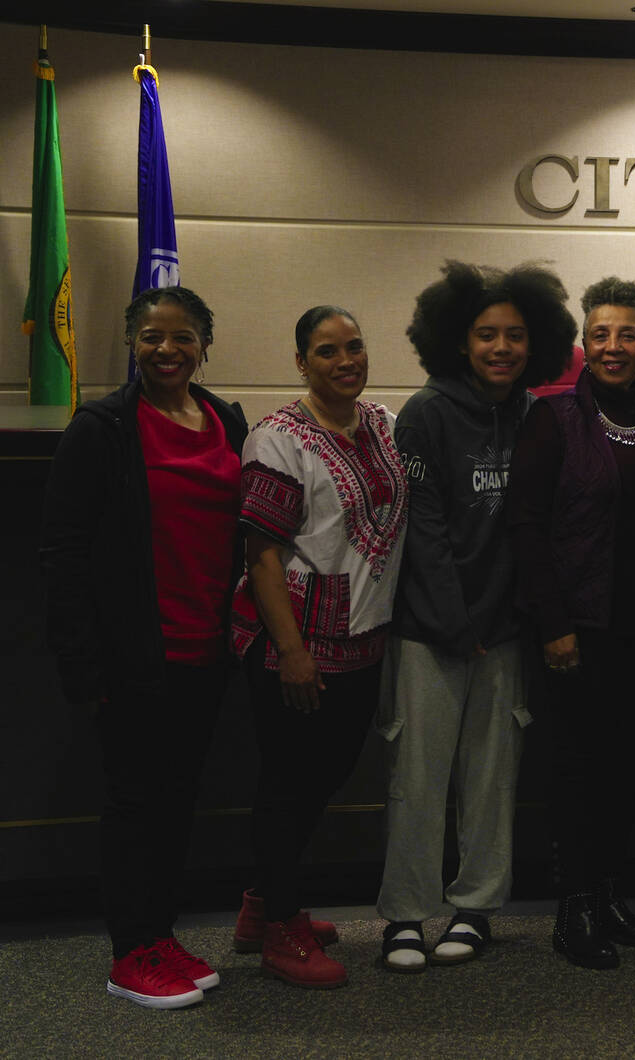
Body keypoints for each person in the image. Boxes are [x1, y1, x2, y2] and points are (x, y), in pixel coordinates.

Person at [41, 288, 248, 1009]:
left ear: (203, 345)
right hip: (135, 657)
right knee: (135, 806)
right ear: (133, 344)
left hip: (206, 650)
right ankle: (130, 954)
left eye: (183, 337)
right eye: (153, 337)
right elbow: (63, 552)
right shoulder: (102, 427)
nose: (168, 350)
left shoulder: (224, 417)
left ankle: (159, 935)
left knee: (177, 801)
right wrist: (83, 665)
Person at [373, 262, 573, 972]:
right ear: (458, 341)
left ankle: (475, 909)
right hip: (430, 630)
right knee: (417, 780)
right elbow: (421, 531)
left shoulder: (536, 416)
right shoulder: (426, 413)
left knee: (492, 782)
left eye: (515, 336)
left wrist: (498, 622)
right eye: (486, 335)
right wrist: (458, 621)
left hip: (505, 633)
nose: (501, 348)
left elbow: (537, 527)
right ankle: (404, 916)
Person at [230, 304, 410, 988]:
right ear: (301, 362)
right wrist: (292, 650)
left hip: (363, 640)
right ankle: (280, 928)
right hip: (294, 646)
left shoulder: (385, 424)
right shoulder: (276, 439)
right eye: (328, 352)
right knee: (288, 785)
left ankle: (261, 905)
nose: (346, 362)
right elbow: (262, 555)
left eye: (355, 347)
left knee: (322, 781)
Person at [508, 277, 635, 969]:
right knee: (575, 771)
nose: (613, 347)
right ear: (584, 344)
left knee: (625, 769)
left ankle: (609, 894)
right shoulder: (552, 418)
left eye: (627, 334)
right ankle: (573, 910)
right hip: (575, 626)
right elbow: (526, 528)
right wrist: (553, 625)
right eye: (601, 335)